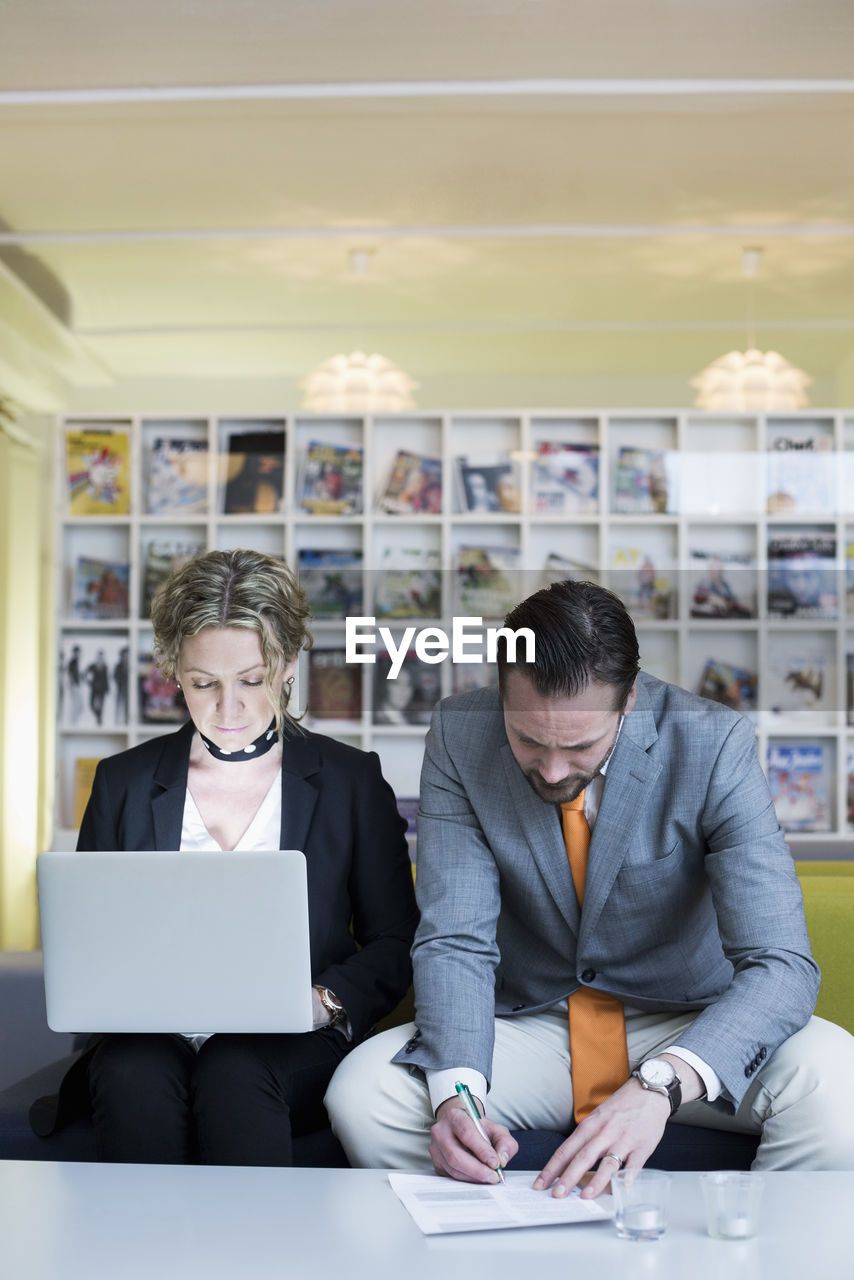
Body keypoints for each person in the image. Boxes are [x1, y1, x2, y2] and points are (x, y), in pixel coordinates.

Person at [326, 578, 854, 1190]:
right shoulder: (458, 734)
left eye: (580, 746)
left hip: (686, 1021)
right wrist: (457, 1101)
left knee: (836, 1088)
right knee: (365, 1097)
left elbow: (782, 964)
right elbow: (455, 939)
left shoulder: (713, 742)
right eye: (527, 738)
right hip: (533, 1024)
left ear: (628, 699)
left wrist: (661, 1084)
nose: (551, 770)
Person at [35, 549, 417, 1166]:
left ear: (289, 665)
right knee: (134, 1074)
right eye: (204, 683)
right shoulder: (122, 783)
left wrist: (324, 1002)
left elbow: (398, 938)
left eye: (253, 680)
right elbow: (89, 941)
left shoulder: (351, 782)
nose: (229, 709)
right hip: (148, 1033)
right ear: (173, 671)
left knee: (235, 1071)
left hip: (291, 1039)